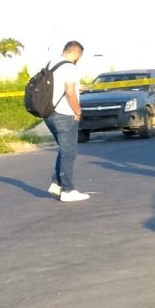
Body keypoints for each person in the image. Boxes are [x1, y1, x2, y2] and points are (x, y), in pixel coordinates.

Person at [45, 41, 88, 202]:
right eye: (79, 56)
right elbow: (70, 93)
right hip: (64, 114)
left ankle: (57, 184)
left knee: (64, 150)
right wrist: (78, 111)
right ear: (76, 53)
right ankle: (68, 190)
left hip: (50, 113)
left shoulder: (51, 64)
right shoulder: (69, 67)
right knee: (69, 152)